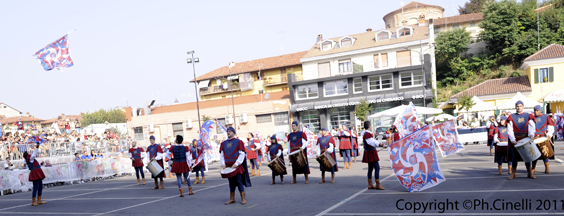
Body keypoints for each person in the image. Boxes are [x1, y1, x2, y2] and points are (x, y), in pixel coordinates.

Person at [220, 126, 251, 205]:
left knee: (239, 182)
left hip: (236, 166)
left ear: (234, 132)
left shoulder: (238, 142)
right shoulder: (223, 143)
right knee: (231, 183)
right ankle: (232, 198)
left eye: (230, 131)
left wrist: (237, 163)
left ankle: (243, 198)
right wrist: (223, 164)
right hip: (228, 167)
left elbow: (242, 154)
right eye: (228, 131)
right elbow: (222, 155)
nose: (228, 132)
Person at [507, 100, 536, 180]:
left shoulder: (528, 115)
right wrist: (513, 139)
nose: (519, 108)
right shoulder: (511, 117)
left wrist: (531, 134)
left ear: (523, 107)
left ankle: (529, 173)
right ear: (515, 107)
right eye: (517, 106)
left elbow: (531, 126)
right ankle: (513, 173)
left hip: (525, 138)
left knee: (527, 156)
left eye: (520, 106)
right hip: (516, 139)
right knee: (514, 157)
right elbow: (509, 129)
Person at [531, 105, 555, 174]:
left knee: (545, 153)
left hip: (543, 137)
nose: (536, 112)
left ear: (540, 110)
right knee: (534, 154)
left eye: (537, 110)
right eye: (535, 110)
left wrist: (549, 134)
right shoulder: (532, 118)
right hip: (535, 137)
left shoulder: (546, 117)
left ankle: (547, 168)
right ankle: (533, 168)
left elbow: (551, 126)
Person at [362, 121, 385, 190]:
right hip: (371, 152)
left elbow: (373, 142)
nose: (371, 126)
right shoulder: (367, 134)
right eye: (371, 125)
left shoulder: (367, 133)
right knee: (377, 168)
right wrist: (382, 145)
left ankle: (370, 184)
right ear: (369, 126)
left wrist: (381, 145)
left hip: (370, 151)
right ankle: (377, 184)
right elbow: (372, 142)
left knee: (370, 168)